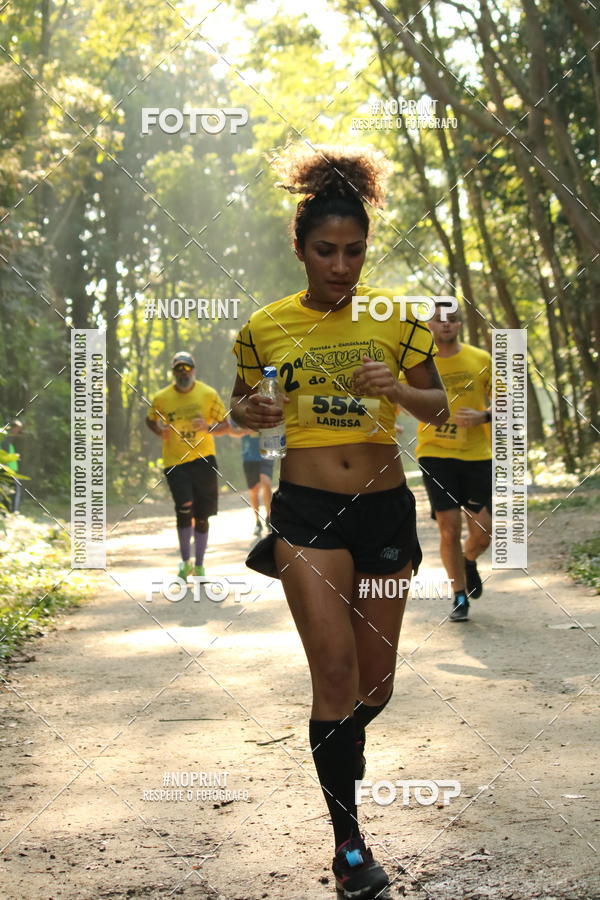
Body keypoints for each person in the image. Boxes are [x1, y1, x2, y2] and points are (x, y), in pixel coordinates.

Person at [229, 145, 449, 899]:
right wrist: (250, 411)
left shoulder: (397, 317)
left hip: (385, 507)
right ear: (299, 248)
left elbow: (439, 405)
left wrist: (400, 388)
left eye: (355, 251)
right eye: (326, 250)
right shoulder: (266, 326)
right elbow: (245, 407)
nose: (341, 265)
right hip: (308, 512)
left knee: (374, 688)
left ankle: (344, 742)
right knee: (333, 677)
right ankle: (349, 846)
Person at [416, 301, 492, 622]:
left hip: (478, 455)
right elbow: (401, 401)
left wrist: (483, 415)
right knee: (449, 528)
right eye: (439, 319)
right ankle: (459, 596)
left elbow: (511, 403)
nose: (446, 324)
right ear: (429, 325)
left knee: (484, 531)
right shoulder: (419, 364)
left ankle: (468, 559)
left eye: (452, 319)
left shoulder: (480, 359)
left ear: (459, 325)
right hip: (435, 454)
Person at [146, 352, 232, 578]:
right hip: (176, 461)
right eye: (179, 369)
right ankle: (185, 563)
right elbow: (150, 419)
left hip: (203, 459)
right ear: (173, 372)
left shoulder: (208, 394)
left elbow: (226, 425)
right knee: (184, 508)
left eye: (187, 369)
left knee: (202, 515)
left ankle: (200, 565)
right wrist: (159, 431)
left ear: (194, 370)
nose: (183, 373)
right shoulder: (162, 398)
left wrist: (207, 427)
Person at [241, 433, 274, 536]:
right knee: (254, 491)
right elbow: (232, 430)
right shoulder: (240, 417)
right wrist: (246, 429)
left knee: (266, 482)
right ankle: (257, 522)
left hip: (266, 454)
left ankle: (269, 518)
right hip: (249, 458)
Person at [1, 420, 23, 514]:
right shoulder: (5, 439)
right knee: (12, 490)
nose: (17, 431)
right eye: (17, 429)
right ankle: (13, 511)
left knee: (10, 490)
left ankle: (9, 511)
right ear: (13, 428)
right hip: (7, 470)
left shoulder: (9, 440)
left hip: (12, 469)